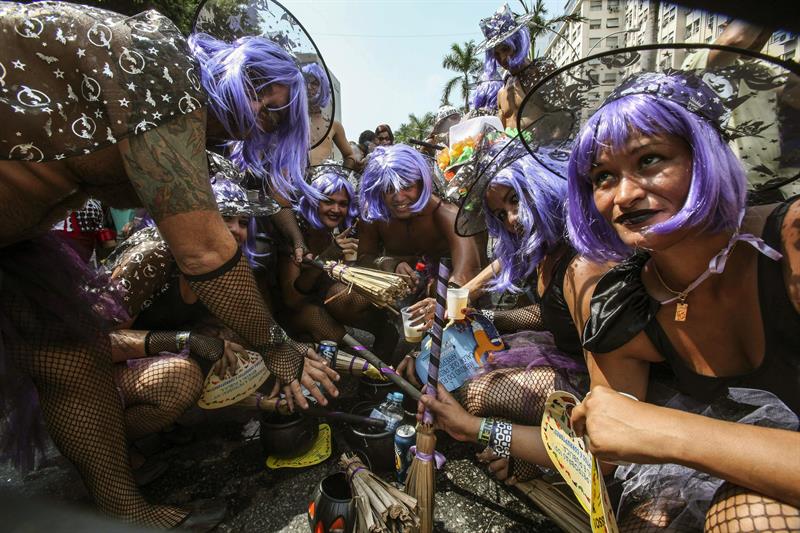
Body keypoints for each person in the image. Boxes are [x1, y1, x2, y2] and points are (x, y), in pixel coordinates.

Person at [0, 2, 337, 528]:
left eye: (274, 118)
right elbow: (203, 250)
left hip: (15, 241)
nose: (259, 119)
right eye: (261, 99)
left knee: (69, 359)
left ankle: (125, 510)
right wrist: (277, 347)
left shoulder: (191, 130)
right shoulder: (163, 66)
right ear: (233, 71)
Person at [558, 65, 800, 529]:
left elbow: (644, 430)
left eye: (650, 160)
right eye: (603, 177)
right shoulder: (624, 307)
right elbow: (606, 448)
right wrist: (490, 433)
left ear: (704, 155)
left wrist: (670, 434)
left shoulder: (791, 244)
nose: (624, 195)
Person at [405, 132, 605, 482]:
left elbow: (607, 413)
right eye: (501, 213)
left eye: (516, 200)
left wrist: (476, 429)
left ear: (541, 184)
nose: (512, 218)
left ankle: (542, 459)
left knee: (476, 392)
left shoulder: (582, 267)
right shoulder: (546, 250)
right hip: (574, 361)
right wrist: (481, 313)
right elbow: (549, 317)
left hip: (601, 395)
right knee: (477, 365)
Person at [357, 144, 487, 292]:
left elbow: (466, 274)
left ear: (421, 184)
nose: (399, 197)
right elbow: (363, 259)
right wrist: (387, 263)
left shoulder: (445, 212)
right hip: (396, 291)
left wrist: (443, 298)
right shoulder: (374, 215)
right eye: (388, 189)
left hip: (446, 290)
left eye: (407, 187)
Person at [477, 3, 558, 129]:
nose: (502, 58)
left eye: (505, 49)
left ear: (518, 44)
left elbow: (561, 115)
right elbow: (501, 131)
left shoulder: (540, 72)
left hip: (542, 141)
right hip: (510, 142)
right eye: (496, 54)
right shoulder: (502, 90)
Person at [303, 63, 358, 169]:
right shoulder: (291, 119)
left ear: (323, 88)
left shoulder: (333, 125)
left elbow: (350, 156)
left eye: (314, 83)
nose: (309, 87)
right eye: (306, 82)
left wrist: (341, 175)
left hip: (321, 178)